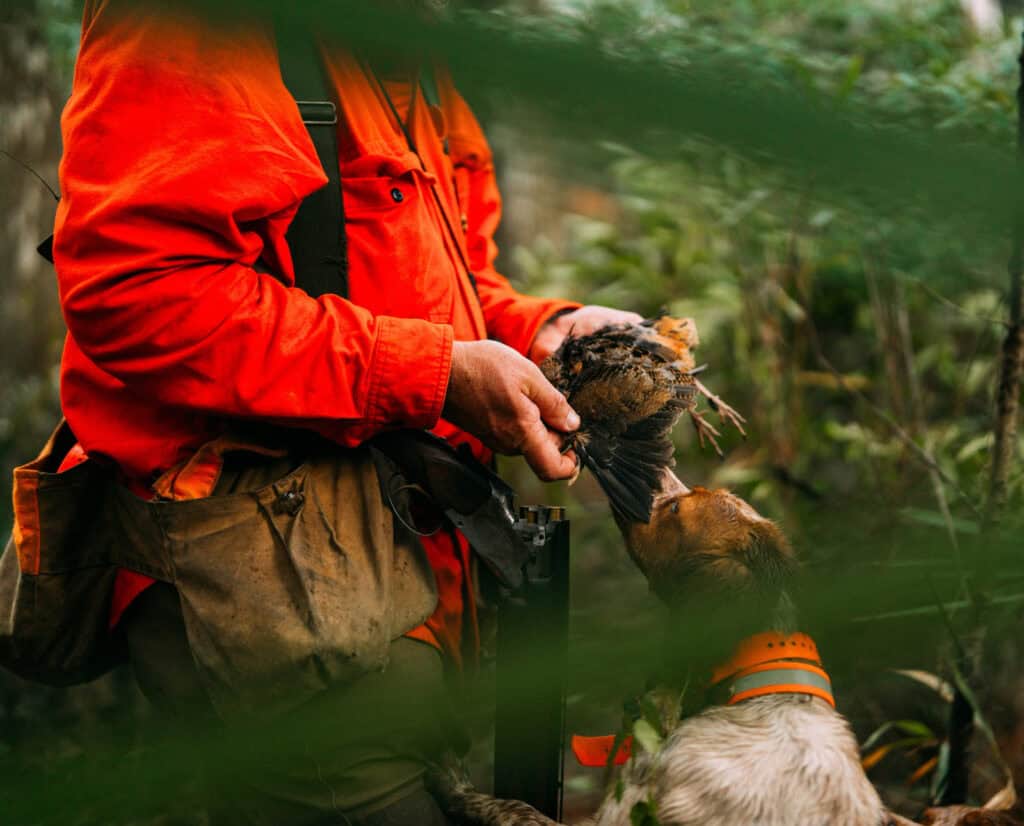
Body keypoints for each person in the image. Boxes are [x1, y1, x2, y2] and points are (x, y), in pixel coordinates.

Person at [51, 1, 640, 823]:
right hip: (272, 585)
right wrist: (435, 375)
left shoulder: (412, 52)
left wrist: (541, 331)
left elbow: (443, 283)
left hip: (400, 563)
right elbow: (140, 296)